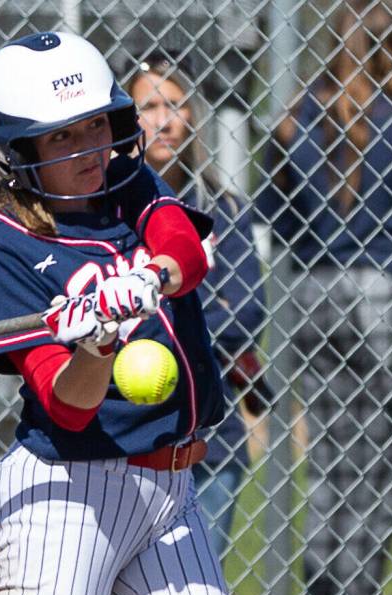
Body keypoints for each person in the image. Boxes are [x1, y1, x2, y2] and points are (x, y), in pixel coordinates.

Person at [0, 31, 245, 595]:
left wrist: (152, 277)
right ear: (18, 150)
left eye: (96, 125)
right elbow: (67, 407)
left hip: (172, 493)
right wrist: (97, 344)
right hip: (67, 500)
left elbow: (186, 253)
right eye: (62, 137)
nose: (90, 148)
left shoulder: (126, 183)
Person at [255, 2, 392, 595]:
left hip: (313, 292)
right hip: (382, 292)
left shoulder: (295, 118)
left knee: (330, 468)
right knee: (381, 469)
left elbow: (275, 212)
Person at [125, 51, 268, 560]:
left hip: (210, 431)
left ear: (193, 116)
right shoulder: (107, 214)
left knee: (196, 583)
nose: (163, 120)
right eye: (148, 107)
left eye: (175, 105)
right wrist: (201, 307)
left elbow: (247, 313)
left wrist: (150, 315)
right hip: (124, 436)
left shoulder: (222, 208)